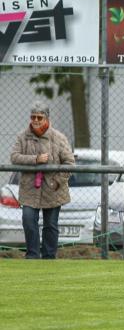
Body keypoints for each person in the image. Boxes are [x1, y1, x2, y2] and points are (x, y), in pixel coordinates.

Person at [9, 101, 75, 259]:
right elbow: (14, 157)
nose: (36, 120)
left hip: (53, 189)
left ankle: (49, 257)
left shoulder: (58, 138)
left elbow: (69, 163)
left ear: (47, 118)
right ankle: (32, 256)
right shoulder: (22, 137)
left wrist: (57, 181)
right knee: (28, 220)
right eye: (33, 117)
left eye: (39, 117)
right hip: (29, 189)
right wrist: (35, 159)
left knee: (50, 225)